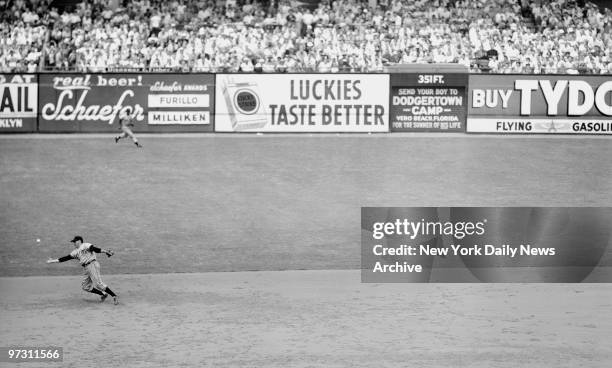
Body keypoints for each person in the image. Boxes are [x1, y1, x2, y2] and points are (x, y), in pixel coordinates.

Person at [46, 235, 119, 305]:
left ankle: (114, 296)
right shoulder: (75, 252)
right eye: (73, 242)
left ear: (79, 241)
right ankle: (103, 294)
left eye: (75, 241)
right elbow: (65, 258)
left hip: (92, 264)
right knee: (85, 286)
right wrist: (52, 261)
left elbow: (94, 249)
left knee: (98, 284)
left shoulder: (85, 245)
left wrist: (105, 251)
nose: (74, 243)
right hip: (86, 268)